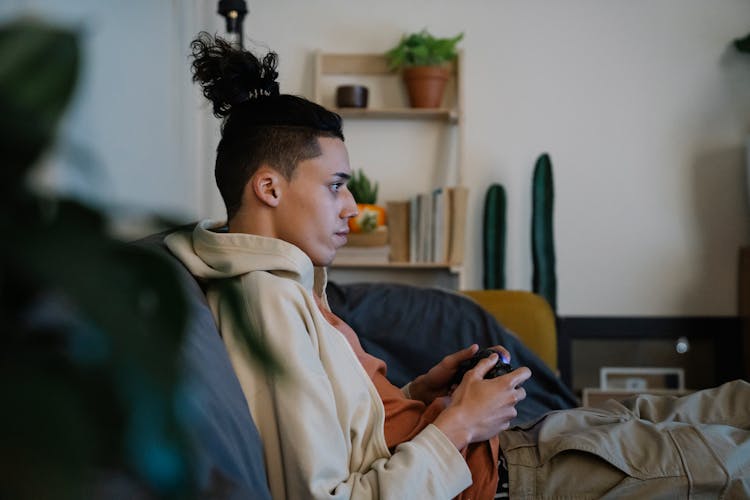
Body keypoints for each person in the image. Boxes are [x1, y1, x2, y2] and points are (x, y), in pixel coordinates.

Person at [167, 33, 750, 499]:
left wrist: (421, 391)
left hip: (513, 448)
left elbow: (360, 433)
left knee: (728, 406)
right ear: (269, 186)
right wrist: (460, 423)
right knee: (732, 457)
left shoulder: (285, 285)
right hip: (514, 476)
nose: (351, 207)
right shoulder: (265, 305)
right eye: (337, 186)